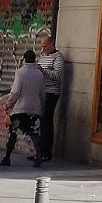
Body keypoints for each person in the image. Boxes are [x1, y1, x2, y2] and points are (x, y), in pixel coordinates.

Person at [0, 50, 45, 169]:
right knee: (34, 134)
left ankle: (7, 157)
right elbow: (42, 93)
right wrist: (41, 108)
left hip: (20, 109)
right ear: (34, 60)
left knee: (13, 133)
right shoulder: (39, 74)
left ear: (24, 60)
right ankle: (38, 157)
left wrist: (8, 105)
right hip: (34, 109)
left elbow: (15, 92)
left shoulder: (20, 73)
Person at [36, 33, 66, 162]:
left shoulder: (58, 57)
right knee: (41, 121)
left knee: (47, 121)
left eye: (45, 46)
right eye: (41, 47)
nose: (43, 49)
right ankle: (39, 150)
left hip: (51, 92)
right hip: (42, 92)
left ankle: (46, 152)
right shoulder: (43, 56)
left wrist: (43, 71)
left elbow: (58, 76)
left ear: (51, 44)